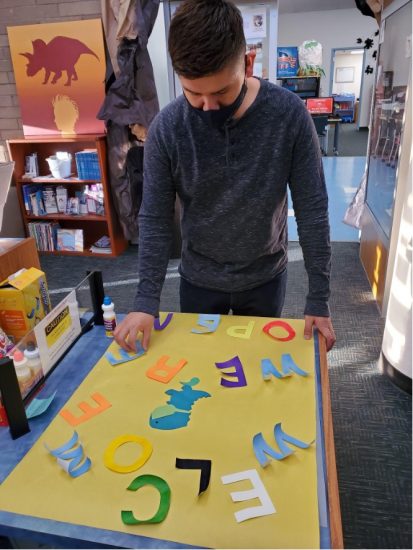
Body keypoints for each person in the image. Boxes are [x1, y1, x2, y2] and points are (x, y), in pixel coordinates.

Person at [114, 0, 336, 353]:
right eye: (193, 93)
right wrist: (144, 301)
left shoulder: (289, 116)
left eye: (220, 91)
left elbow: (312, 210)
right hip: (199, 278)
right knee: (202, 372)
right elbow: (155, 218)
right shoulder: (167, 128)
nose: (208, 106)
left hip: (265, 276)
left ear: (247, 62)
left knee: (256, 373)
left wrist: (319, 297)